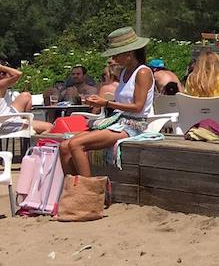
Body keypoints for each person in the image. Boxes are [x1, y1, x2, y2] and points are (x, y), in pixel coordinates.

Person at [58, 27, 156, 177]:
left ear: (129, 53)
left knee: (75, 144)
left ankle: (88, 191)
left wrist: (106, 104)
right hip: (119, 121)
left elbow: (138, 106)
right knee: (65, 146)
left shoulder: (143, 72)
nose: (114, 59)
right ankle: (73, 190)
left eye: (117, 55)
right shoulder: (124, 72)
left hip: (134, 125)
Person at [0, 60, 52, 134]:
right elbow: (18, 74)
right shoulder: (1, 84)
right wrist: (1, 67)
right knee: (49, 127)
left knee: (26, 95)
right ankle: (37, 144)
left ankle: (26, 122)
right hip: (5, 123)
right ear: (2, 75)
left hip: (6, 117)